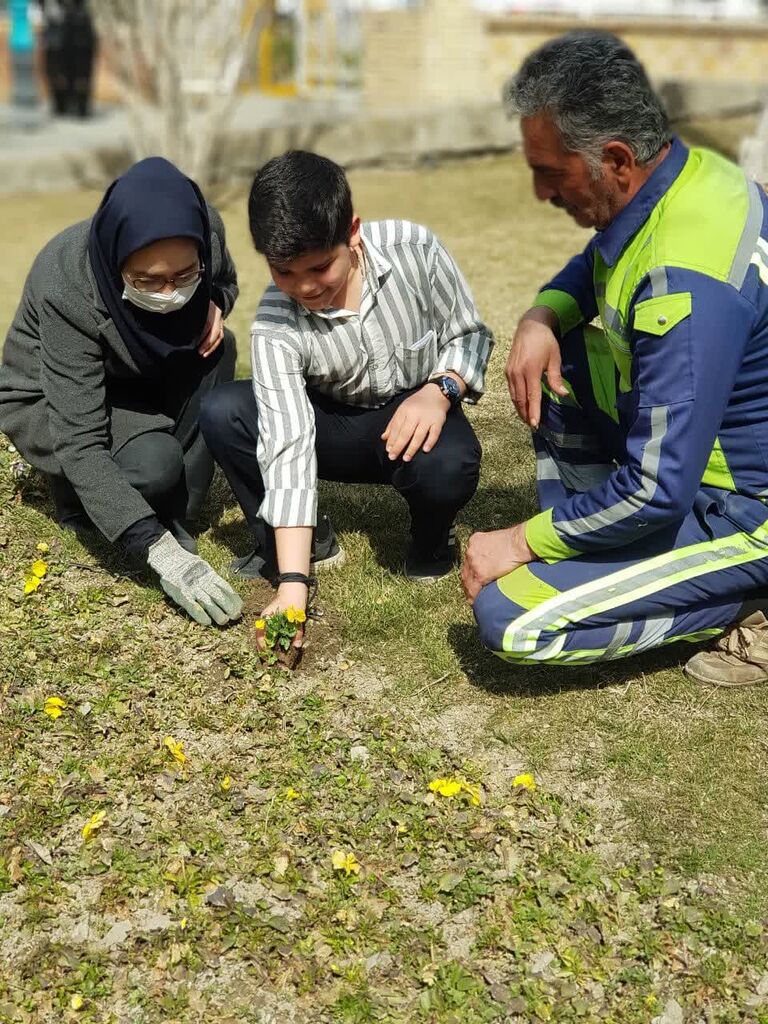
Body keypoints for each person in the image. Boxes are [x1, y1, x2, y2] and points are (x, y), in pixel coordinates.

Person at [463, 30, 768, 686]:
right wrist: (543, 313)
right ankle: (592, 544)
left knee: (510, 617)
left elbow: (659, 490)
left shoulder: (682, 285)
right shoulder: (691, 174)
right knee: (559, 360)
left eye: (550, 172)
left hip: (742, 506)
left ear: (617, 160)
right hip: (696, 449)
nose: (541, 192)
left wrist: (517, 543)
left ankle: (736, 601)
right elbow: (607, 252)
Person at [200, 150, 493, 636]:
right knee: (226, 409)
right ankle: (306, 543)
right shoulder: (275, 323)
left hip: (411, 412)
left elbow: (470, 336)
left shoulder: (414, 248)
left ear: (352, 232)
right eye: (284, 272)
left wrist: (439, 392)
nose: (304, 288)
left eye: (319, 268)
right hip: (328, 426)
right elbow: (289, 443)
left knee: (448, 464)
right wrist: (294, 585)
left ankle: (429, 543)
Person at [0, 157, 243, 628]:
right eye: (148, 281)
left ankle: (166, 502)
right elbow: (82, 441)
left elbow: (225, 283)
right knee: (154, 464)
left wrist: (216, 302)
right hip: (49, 396)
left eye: (184, 275)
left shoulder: (204, 229)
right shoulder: (66, 284)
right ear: (116, 262)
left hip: (130, 374)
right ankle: (76, 499)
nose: (169, 292)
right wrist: (159, 551)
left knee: (219, 349)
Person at [39, 0, 97, 118]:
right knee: (58, 74)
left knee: (80, 75)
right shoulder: (54, 8)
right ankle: (63, 106)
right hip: (61, 38)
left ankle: (80, 106)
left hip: (77, 39)